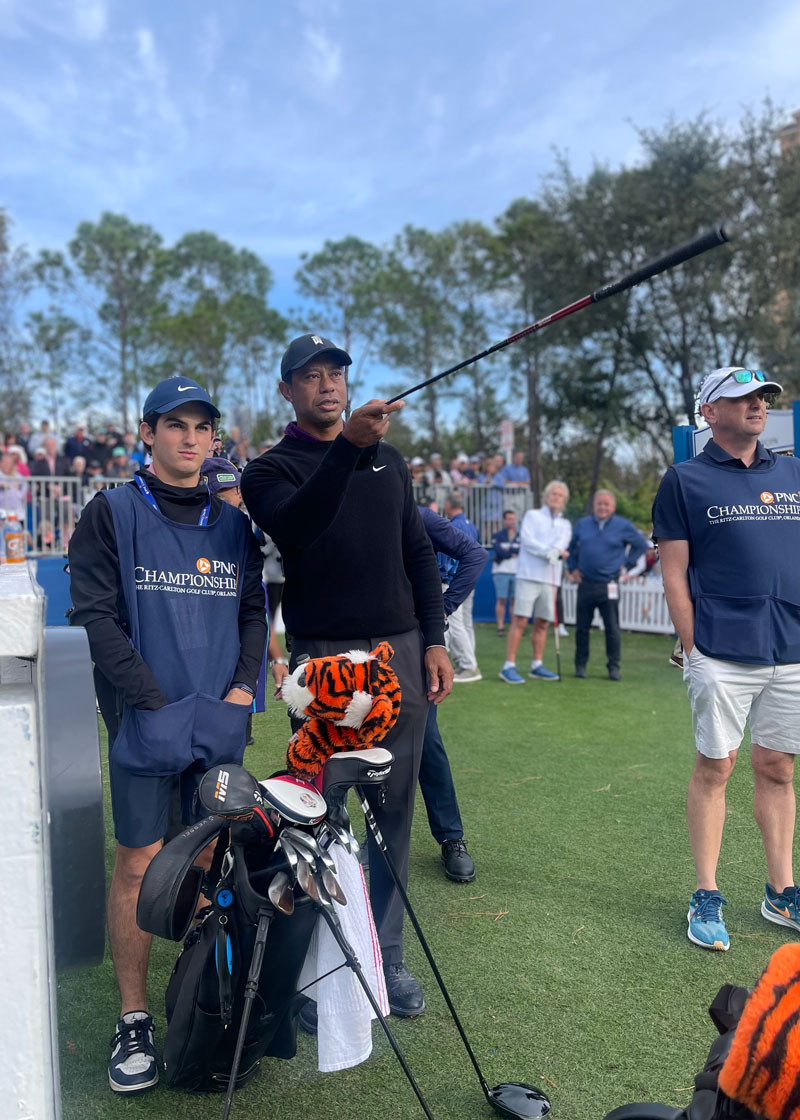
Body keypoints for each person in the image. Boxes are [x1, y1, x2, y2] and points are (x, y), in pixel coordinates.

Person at [241, 333, 452, 1020]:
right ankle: (314, 960)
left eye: (336, 373)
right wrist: (347, 450)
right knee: (318, 814)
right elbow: (298, 530)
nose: (328, 385)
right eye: (310, 375)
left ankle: (385, 956)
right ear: (287, 391)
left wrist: (436, 638)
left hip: (397, 655)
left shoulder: (390, 461)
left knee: (393, 813)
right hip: (324, 661)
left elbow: (417, 552)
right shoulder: (268, 471)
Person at [68, 376, 267, 1093]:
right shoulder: (111, 511)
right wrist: (150, 700)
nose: (190, 438)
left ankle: (199, 1002)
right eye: (175, 425)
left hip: (218, 718)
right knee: (138, 864)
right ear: (147, 432)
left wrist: (243, 691)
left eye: (202, 427)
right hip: (148, 721)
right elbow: (94, 617)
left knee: (211, 855)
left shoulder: (236, 524)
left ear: (215, 439)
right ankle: (133, 1017)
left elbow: (252, 612)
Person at [653, 365, 800, 953]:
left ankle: (781, 890)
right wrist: (694, 648)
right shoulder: (683, 480)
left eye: (763, 397)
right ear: (709, 412)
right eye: (742, 398)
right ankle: (707, 892)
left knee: (779, 768)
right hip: (721, 650)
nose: (758, 405)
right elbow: (673, 574)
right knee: (717, 769)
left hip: (790, 649)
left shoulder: (793, 473)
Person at [417, 501, 487, 881]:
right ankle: (366, 839)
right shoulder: (350, 509)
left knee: (426, 741)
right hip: (364, 642)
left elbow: (474, 555)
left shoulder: (420, 517)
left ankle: (451, 838)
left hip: (415, 641)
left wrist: (443, 607)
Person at [567, 489, 647, 681]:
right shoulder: (583, 524)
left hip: (609, 585)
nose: (602, 507)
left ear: (613, 506)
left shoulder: (623, 525)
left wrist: (628, 565)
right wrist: (573, 568)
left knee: (612, 628)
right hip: (585, 583)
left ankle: (613, 667)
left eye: (606, 504)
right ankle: (580, 665)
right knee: (581, 628)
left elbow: (641, 545)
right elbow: (570, 547)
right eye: (599, 504)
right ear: (594, 506)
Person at [499, 481, 571, 683]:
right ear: (546, 496)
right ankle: (508, 665)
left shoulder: (565, 524)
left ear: (564, 500)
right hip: (528, 575)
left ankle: (536, 665)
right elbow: (528, 541)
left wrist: (555, 551)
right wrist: (551, 552)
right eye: (553, 493)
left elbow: (562, 544)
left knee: (542, 622)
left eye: (560, 495)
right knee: (520, 620)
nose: (556, 497)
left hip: (550, 579)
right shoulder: (533, 516)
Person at [442, 490, 482, 683]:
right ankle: (469, 661)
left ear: (449, 506)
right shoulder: (470, 524)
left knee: (456, 624)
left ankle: (468, 666)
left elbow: (448, 558)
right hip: (468, 580)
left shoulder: (454, 525)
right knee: (465, 623)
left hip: (455, 580)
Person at [491, 509, 520, 636]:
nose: (511, 522)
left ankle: (515, 628)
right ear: (504, 520)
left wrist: (508, 551)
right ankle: (500, 627)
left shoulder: (521, 536)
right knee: (501, 600)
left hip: (517, 572)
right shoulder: (497, 535)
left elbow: (522, 551)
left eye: (513, 519)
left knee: (514, 601)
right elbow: (499, 551)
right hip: (501, 572)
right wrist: (512, 552)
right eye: (509, 519)